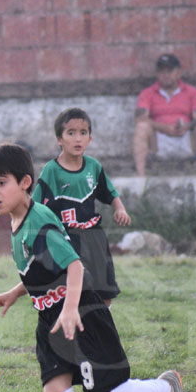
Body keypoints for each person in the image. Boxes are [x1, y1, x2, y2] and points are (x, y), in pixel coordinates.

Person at [0, 143, 190, 392]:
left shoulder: (39, 223)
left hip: (81, 314)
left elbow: (74, 266)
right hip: (53, 318)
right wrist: (14, 293)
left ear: (24, 182)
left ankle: (164, 389)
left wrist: (71, 307)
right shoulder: (18, 222)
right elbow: (43, 272)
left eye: (1, 182)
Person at [34, 107, 131, 305]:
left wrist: (119, 208)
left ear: (90, 139)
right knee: (72, 292)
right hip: (66, 239)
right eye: (71, 133)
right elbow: (35, 207)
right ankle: (74, 329)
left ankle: (104, 328)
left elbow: (110, 192)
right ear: (59, 139)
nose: (78, 139)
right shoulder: (51, 171)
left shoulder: (93, 167)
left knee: (105, 291)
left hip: (94, 237)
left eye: (83, 133)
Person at [133, 53, 196, 177]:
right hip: (159, 141)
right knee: (141, 127)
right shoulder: (147, 93)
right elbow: (140, 118)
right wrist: (163, 128)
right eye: (162, 71)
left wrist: (187, 126)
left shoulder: (191, 92)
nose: (166, 75)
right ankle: (140, 178)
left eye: (170, 71)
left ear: (179, 72)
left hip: (186, 138)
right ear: (157, 73)